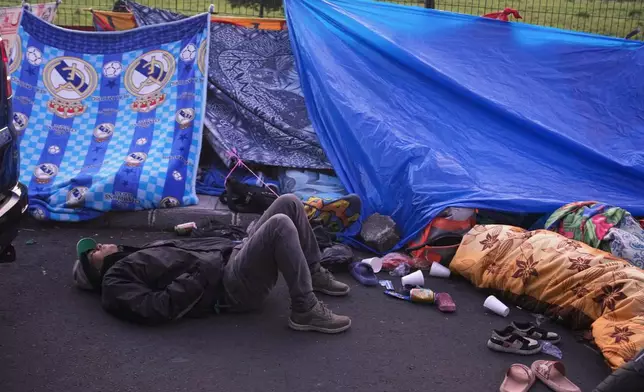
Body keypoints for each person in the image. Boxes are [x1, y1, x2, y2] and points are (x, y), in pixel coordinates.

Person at [72, 194, 352, 333]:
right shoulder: (115, 281)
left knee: (288, 202)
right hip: (227, 285)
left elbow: (191, 253)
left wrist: (234, 242)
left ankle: (313, 272)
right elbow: (154, 307)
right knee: (279, 225)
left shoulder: (132, 255)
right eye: (90, 254)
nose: (95, 247)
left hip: (228, 257)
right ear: (96, 272)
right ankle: (304, 309)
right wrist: (199, 276)